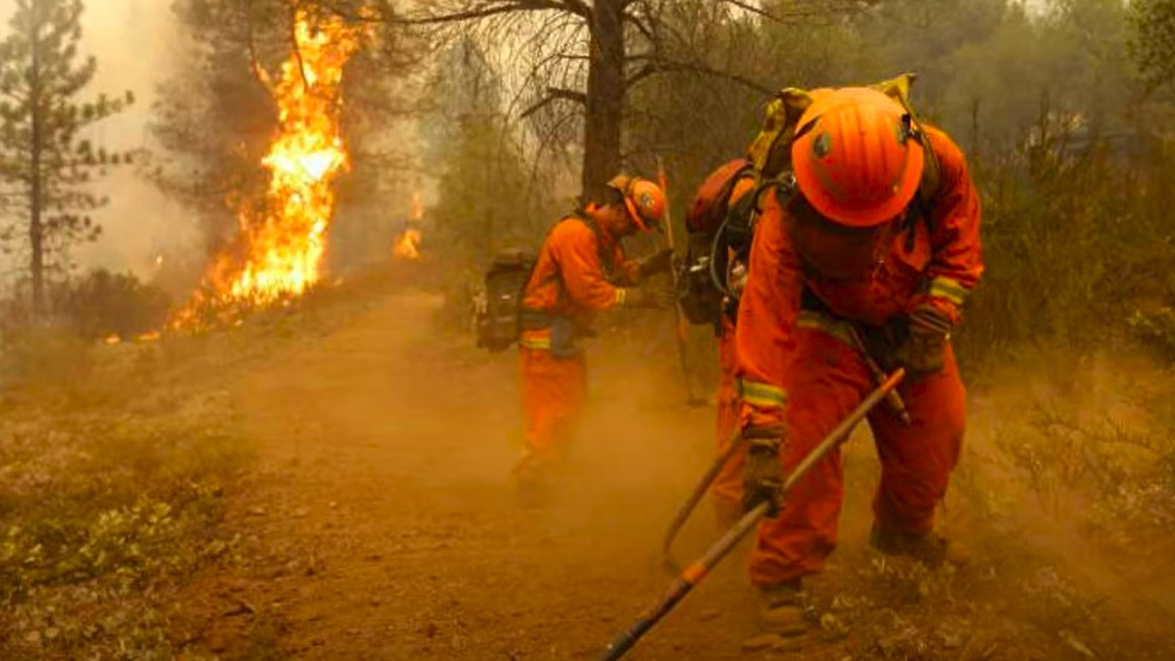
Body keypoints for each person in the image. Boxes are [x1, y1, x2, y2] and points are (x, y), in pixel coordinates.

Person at [734, 86, 983, 638]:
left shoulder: (937, 163)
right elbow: (765, 318)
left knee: (939, 432)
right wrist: (764, 439)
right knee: (804, 442)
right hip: (828, 323)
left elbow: (960, 241)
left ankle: (902, 535)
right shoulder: (785, 213)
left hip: (909, 321)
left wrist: (936, 314)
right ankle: (783, 577)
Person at [514, 174, 674, 501]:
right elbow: (588, 291)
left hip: (562, 335)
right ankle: (533, 477)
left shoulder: (602, 238)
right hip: (545, 336)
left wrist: (649, 268)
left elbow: (616, 272)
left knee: (571, 404)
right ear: (619, 210)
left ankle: (550, 471)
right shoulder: (576, 235)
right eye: (633, 226)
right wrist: (639, 298)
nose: (632, 233)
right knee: (551, 409)